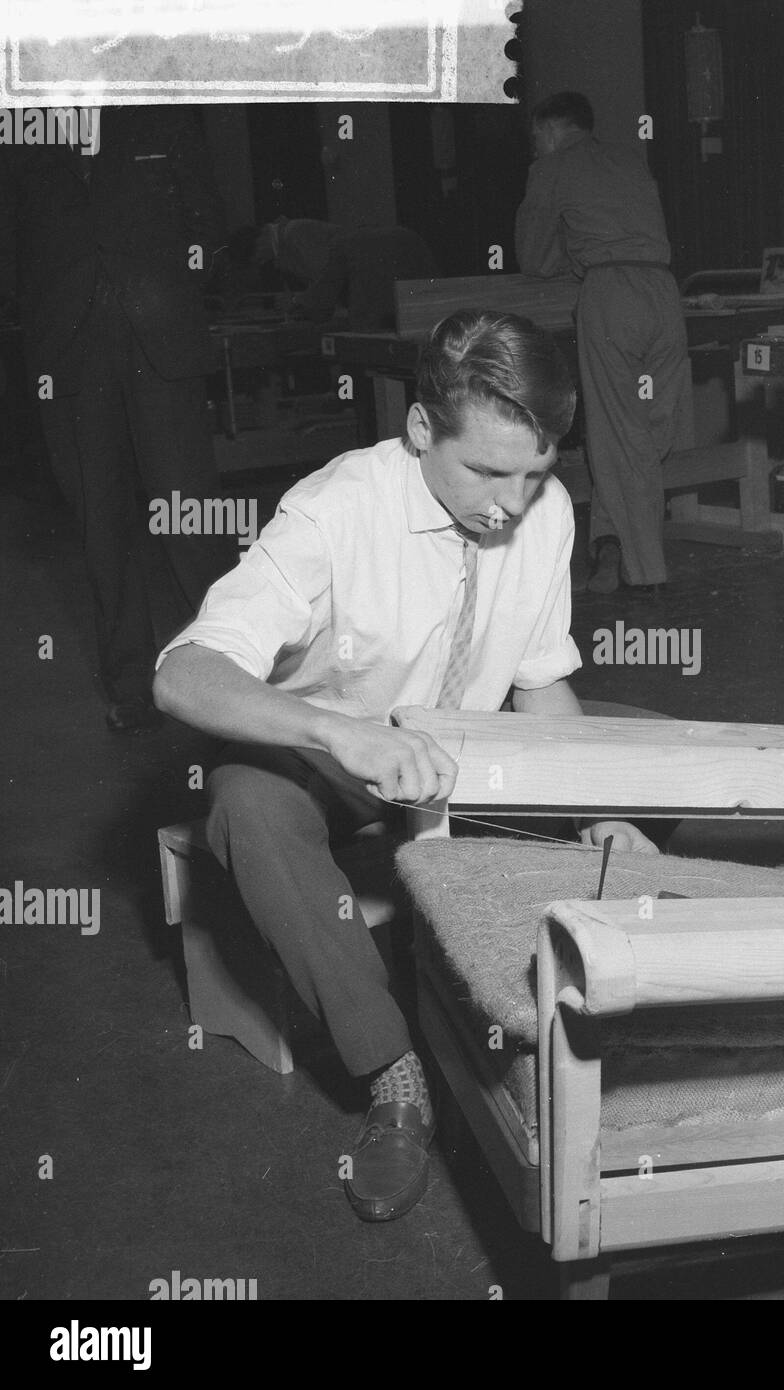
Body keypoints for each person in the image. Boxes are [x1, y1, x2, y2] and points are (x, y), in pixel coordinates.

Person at [153, 309, 656, 1223]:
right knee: (247, 805)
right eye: (488, 472)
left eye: (535, 475)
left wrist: (602, 807)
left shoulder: (545, 516)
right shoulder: (334, 509)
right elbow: (182, 673)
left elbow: (542, 686)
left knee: (661, 760)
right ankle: (394, 1071)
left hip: (464, 752)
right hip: (332, 760)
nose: (510, 503)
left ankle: (598, 1022)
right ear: (422, 429)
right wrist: (340, 735)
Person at [0, 107, 234, 731]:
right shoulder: (19, 126)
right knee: (101, 526)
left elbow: (208, 218)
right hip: (67, 353)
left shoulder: (162, 114)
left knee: (191, 519)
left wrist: (177, 280)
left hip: (160, 339)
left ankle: (227, 677)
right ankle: (133, 688)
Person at [515, 90, 692, 596]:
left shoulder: (550, 169)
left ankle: (646, 573)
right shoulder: (629, 161)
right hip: (664, 291)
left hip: (611, 295)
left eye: (535, 137)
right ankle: (610, 544)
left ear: (548, 132)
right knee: (653, 428)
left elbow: (534, 258)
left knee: (619, 436)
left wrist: (571, 253)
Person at [251, 217, 439, 332]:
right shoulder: (296, 235)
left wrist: (296, 303)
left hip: (381, 262)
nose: (263, 261)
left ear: (260, 240)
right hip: (409, 245)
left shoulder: (294, 235)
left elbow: (324, 287)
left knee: (371, 330)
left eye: (259, 257)